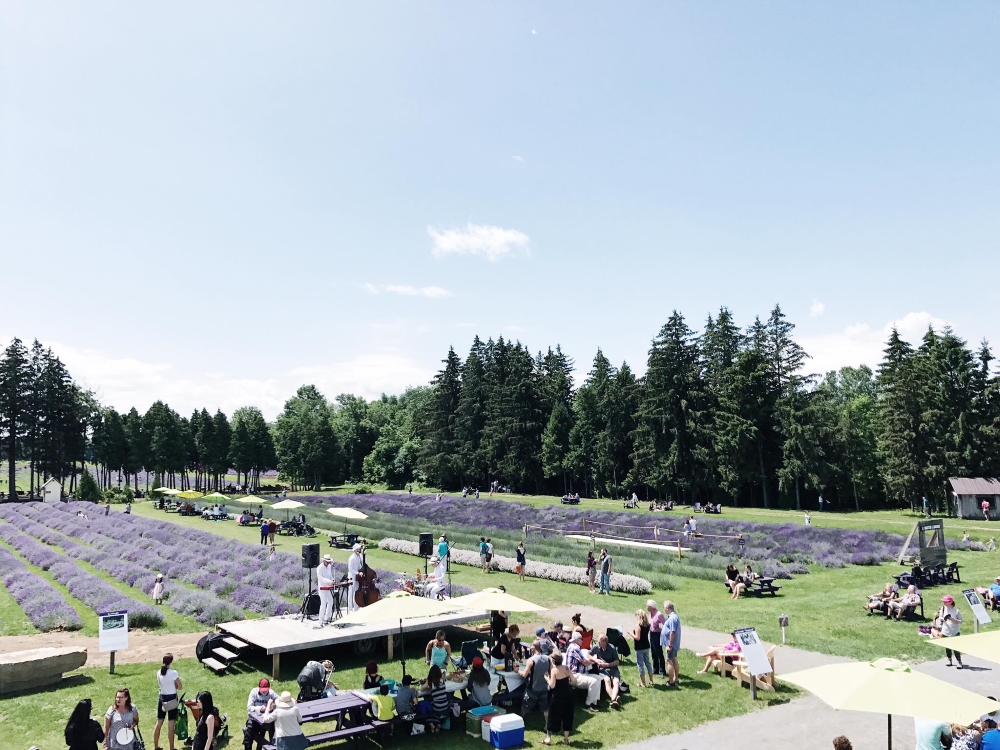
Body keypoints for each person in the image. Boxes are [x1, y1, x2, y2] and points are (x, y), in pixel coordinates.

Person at [565, 631, 601, 710]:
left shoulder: (573, 647)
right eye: (581, 639)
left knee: (598, 678)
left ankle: (594, 702)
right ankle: (589, 704)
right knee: (593, 681)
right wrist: (595, 661)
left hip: (580, 674)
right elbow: (585, 663)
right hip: (574, 676)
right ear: (577, 639)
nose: (582, 641)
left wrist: (591, 661)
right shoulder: (574, 648)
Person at [544, 652, 574, 745]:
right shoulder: (566, 668)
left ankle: (548, 738)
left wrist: (547, 678)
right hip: (568, 695)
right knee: (568, 715)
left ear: (553, 661)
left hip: (557, 696)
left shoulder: (554, 670)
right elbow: (573, 680)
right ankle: (566, 739)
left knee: (553, 716)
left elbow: (552, 685)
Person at [154, 653, 182, 750]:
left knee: (159, 722)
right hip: (172, 699)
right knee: (171, 724)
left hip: (162, 698)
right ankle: (171, 748)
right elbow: (180, 687)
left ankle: (156, 746)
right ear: (171, 661)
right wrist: (174, 685)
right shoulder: (173, 673)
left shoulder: (159, 672)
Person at [520, 640, 551, 723]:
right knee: (545, 708)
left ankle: (520, 721)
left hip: (533, 689)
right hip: (544, 687)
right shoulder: (548, 658)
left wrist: (517, 671)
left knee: (525, 706)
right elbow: (551, 671)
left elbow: (524, 674)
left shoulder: (531, 660)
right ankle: (547, 724)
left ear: (533, 648)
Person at [247, 678, 279, 750]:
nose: (264, 692)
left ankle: (273, 746)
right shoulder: (253, 692)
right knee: (249, 732)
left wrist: (274, 704)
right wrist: (259, 709)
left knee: (273, 728)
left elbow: (278, 700)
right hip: (254, 719)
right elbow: (249, 708)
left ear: (269, 688)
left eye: (266, 690)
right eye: (262, 690)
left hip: (266, 719)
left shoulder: (271, 693)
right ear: (259, 687)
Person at [592, 634, 622, 708]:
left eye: (599, 642)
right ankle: (614, 699)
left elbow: (617, 662)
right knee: (607, 680)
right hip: (603, 670)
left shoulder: (612, 648)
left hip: (613, 668)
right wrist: (595, 660)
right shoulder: (596, 647)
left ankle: (613, 699)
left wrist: (607, 665)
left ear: (605, 642)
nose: (598, 643)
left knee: (616, 682)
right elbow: (588, 655)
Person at [418, 665, 450, 734]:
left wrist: (427, 683)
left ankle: (432, 724)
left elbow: (422, 689)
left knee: (428, 711)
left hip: (437, 707)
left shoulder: (431, 682)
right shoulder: (442, 679)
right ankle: (439, 724)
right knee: (437, 711)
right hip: (445, 705)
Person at [934, 595, 964, 668]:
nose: (944, 603)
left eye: (945, 602)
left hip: (954, 631)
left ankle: (959, 661)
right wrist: (942, 619)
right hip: (945, 630)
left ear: (950, 602)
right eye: (943, 601)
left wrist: (952, 619)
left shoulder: (956, 611)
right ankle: (949, 660)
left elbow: (961, 621)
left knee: (956, 648)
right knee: (947, 647)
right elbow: (940, 616)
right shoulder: (943, 608)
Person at [631, 609, 653, 687]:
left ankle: (643, 683)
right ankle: (651, 680)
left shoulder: (638, 626)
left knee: (640, 665)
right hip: (646, 646)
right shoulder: (647, 625)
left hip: (639, 647)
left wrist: (630, 633)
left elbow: (637, 638)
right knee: (648, 663)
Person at [662, 600, 681, 688]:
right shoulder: (674, 616)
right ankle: (676, 678)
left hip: (671, 644)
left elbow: (672, 632)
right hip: (674, 644)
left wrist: (670, 645)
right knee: (674, 660)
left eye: (664, 608)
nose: (664, 610)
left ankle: (671, 681)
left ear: (667, 608)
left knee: (669, 661)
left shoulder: (672, 618)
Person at [646, 599, 666, 678]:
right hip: (651, 634)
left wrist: (660, 627)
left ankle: (662, 671)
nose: (646, 607)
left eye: (647, 606)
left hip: (657, 634)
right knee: (653, 652)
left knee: (659, 653)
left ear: (651, 607)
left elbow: (664, 624)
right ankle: (655, 668)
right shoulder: (651, 613)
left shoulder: (659, 614)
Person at [316, 554, 336, 627]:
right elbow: (321, 579)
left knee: (330, 601)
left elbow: (330, 575)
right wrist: (329, 581)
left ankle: (326, 618)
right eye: (327, 562)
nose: (328, 563)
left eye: (329, 562)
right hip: (322, 588)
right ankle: (320, 620)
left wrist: (332, 580)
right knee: (323, 603)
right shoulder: (319, 568)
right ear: (323, 561)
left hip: (328, 587)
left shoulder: (329, 567)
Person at [347, 543, 363, 613]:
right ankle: (350, 609)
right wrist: (358, 572)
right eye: (358, 549)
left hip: (357, 577)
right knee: (351, 593)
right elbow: (350, 569)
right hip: (352, 576)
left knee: (356, 592)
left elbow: (361, 564)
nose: (359, 550)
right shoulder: (352, 558)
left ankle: (356, 607)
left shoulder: (359, 556)